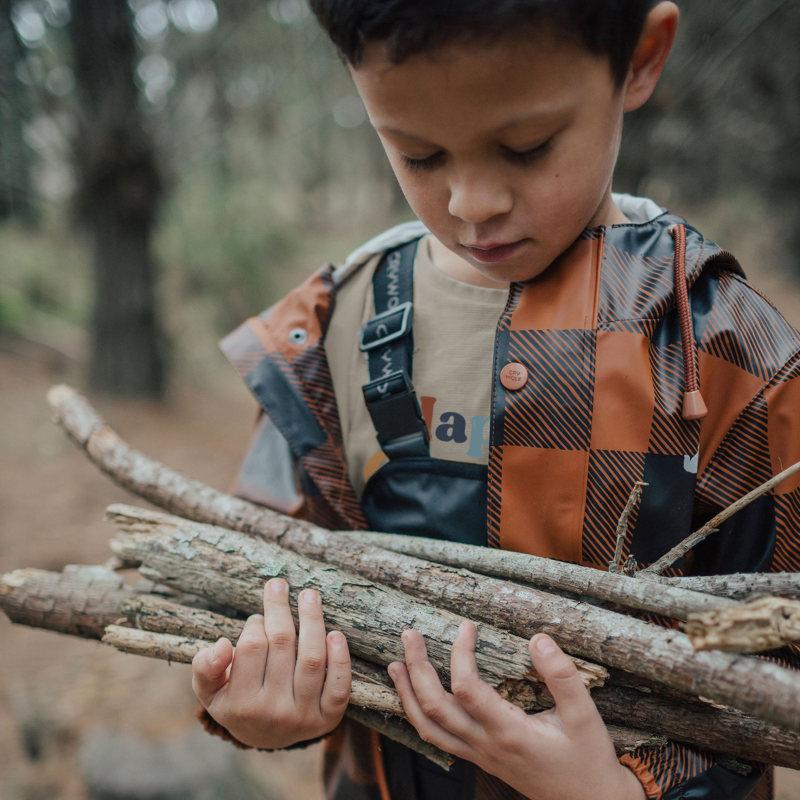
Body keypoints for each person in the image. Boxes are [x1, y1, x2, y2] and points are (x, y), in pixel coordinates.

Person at [190, 2, 800, 798]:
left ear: (642, 59)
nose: (473, 202)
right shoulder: (330, 336)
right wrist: (257, 702)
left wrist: (624, 788)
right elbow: (254, 591)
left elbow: (777, 655)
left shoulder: (723, 349)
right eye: (418, 155)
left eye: (526, 147)